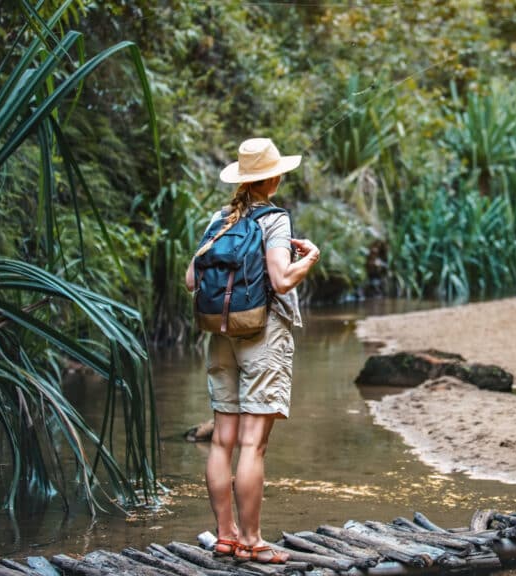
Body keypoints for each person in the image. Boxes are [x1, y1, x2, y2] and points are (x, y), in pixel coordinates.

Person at [185, 138, 320, 563]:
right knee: (252, 445)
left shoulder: (219, 218)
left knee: (222, 442)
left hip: (220, 333)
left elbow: (192, 279)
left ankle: (225, 536)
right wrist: (310, 259)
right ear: (274, 178)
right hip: (262, 334)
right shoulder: (275, 219)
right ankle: (252, 542)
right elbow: (280, 281)